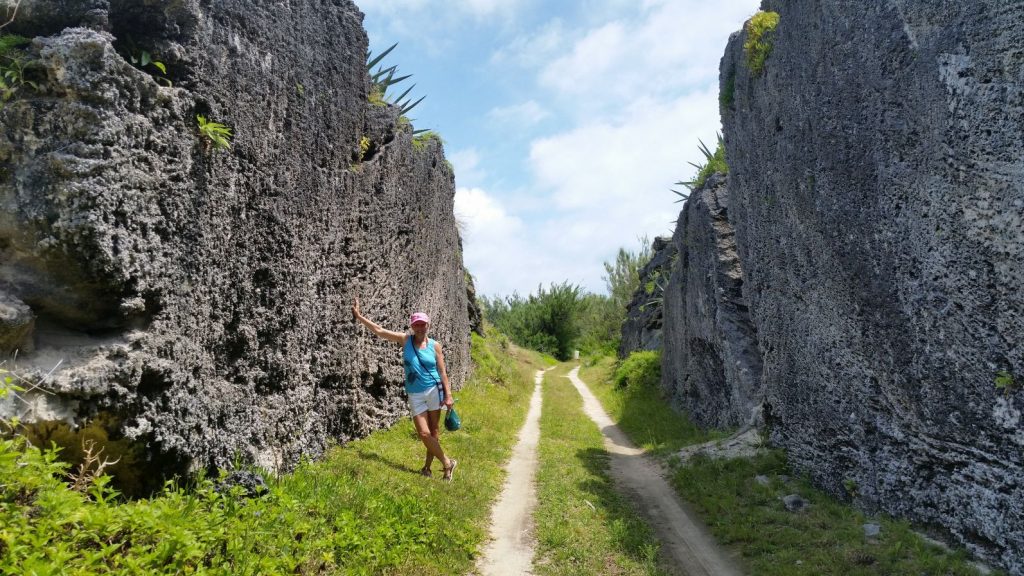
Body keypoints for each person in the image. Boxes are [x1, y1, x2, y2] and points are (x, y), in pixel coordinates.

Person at [352, 298, 458, 481]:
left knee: (434, 432)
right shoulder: (405, 340)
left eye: (422, 325)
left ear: (428, 326)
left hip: (434, 391)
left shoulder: (435, 346)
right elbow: (379, 331)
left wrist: (448, 396)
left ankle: (427, 468)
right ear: (412, 326)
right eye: (416, 325)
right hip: (415, 394)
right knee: (423, 433)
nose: (419, 328)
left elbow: (442, 372)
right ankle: (448, 463)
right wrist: (359, 316)